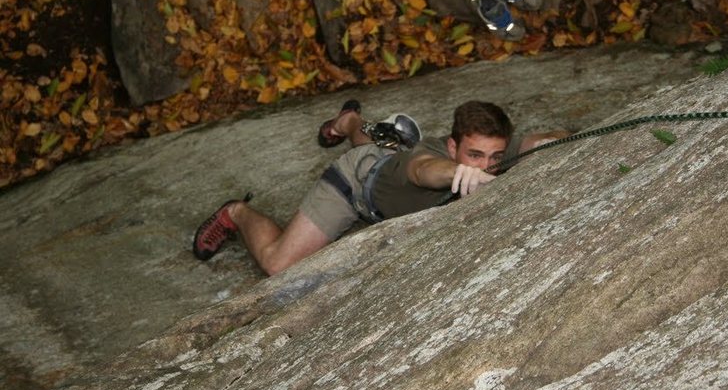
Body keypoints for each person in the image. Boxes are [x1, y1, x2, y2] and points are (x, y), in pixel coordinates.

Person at [192, 100, 569, 275]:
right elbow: (424, 171)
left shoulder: (491, 152)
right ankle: (235, 213)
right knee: (279, 263)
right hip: (357, 185)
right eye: (474, 156)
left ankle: (350, 120)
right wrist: (459, 175)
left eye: (494, 157)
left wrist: (545, 144)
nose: (486, 166)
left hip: (386, 161)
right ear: (452, 146)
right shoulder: (433, 162)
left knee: (377, 146)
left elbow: (552, 137)